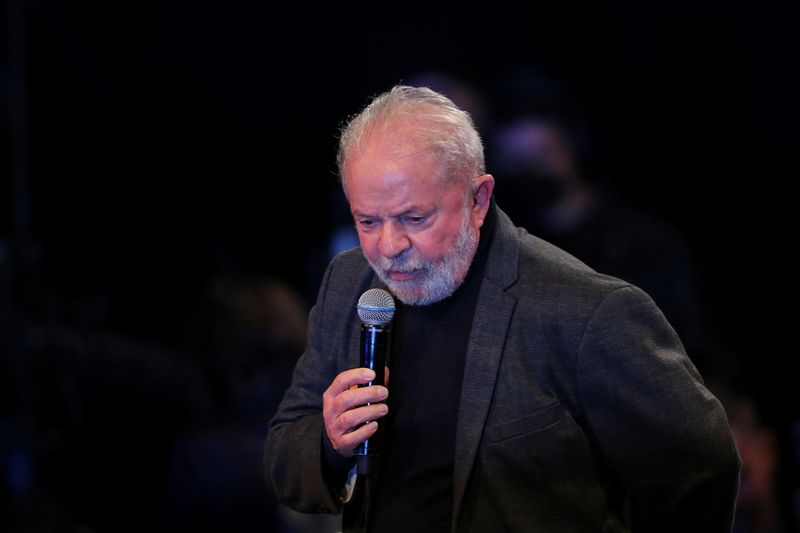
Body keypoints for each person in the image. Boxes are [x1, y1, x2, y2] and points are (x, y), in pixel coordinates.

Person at [264, 85, 740, 532]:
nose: (388, 246)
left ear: (478, 198)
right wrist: (330, 446)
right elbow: (285, 455)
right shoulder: (348, 283)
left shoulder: (587, 310)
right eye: (367, 221)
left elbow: (699, 472)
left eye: (415, 218)